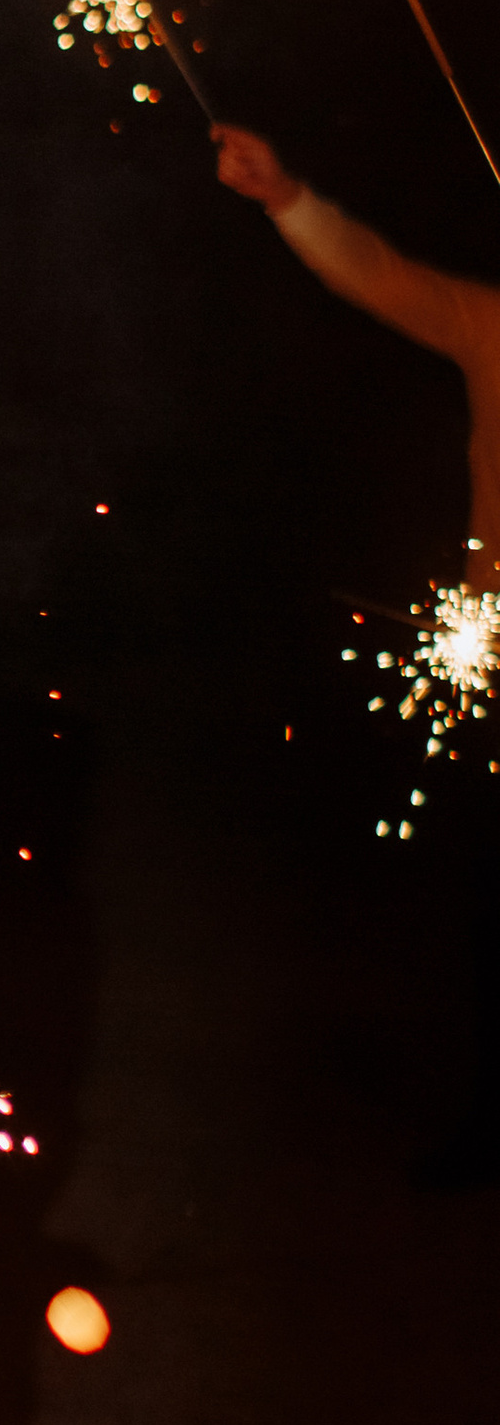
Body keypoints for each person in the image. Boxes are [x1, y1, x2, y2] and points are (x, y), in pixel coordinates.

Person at [215, 120, 500, 1183]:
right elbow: (380, 276)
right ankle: (480, 1123)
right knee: (484, 906)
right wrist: (284, 194)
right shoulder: (492, 325)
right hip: (492, 665)